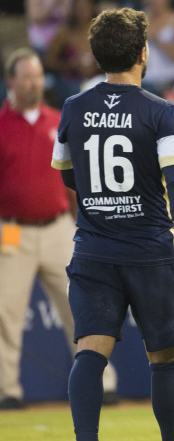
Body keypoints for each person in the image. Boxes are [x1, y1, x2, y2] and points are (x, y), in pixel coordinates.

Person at [51, 8, 174, 441]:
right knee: (166, 354)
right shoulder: (160, 111)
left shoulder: (73, 108)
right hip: (149, 250)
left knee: (91, 351)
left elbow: (66, 172)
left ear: (98, 56)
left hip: (94, 248)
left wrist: (99, 203)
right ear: (143, 53)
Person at [0, 49, 117, 411]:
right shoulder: (2, 124)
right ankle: (8, 390)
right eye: (27, 76)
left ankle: (103, 382)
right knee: (6, 311)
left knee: (82, 305)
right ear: (11, 82)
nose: (35, 82)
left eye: (38, 75)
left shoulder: (59, 118)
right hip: (11, 231)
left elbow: (76, 177)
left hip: (58, 227)